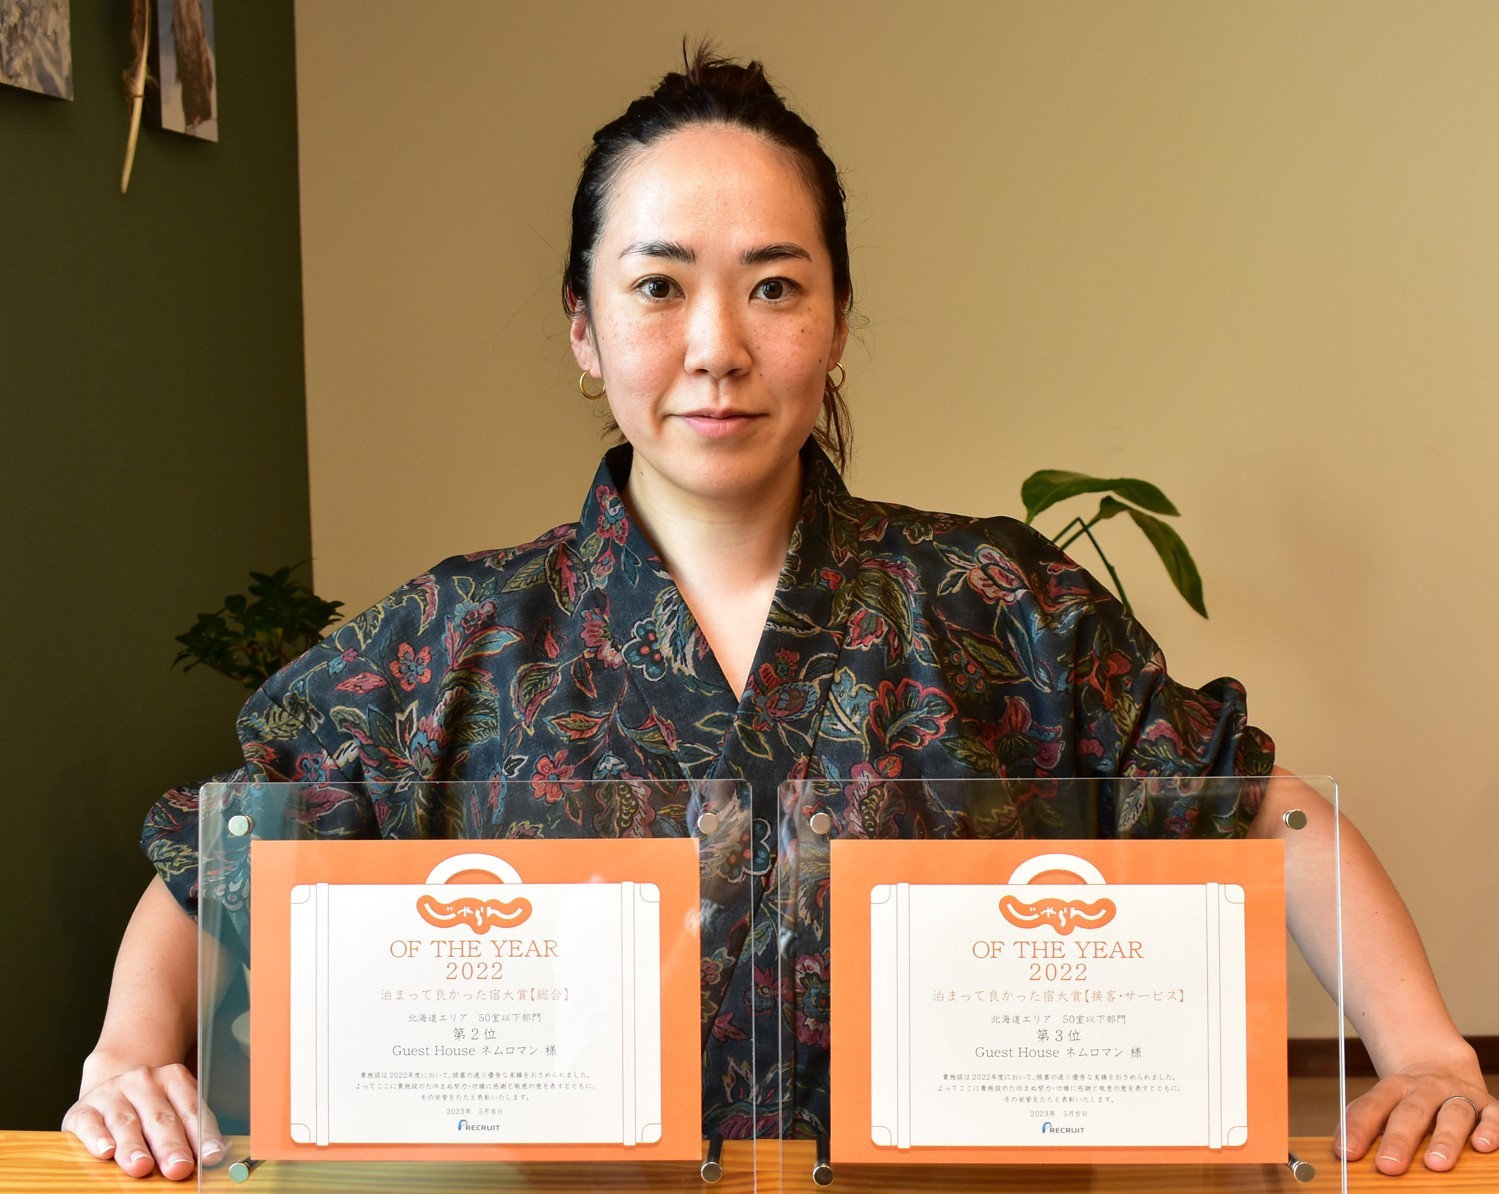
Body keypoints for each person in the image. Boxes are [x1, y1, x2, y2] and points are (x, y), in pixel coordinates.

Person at [65, 46, 1495, 1181]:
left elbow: (1257, 809)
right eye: (658, 286)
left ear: (838, 317)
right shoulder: (452, 639)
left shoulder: (994, 606)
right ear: (583, 327)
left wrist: (1426, 1047)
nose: (717, 348)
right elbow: (220, 859)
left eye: (773, 287)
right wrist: (132, 1051)